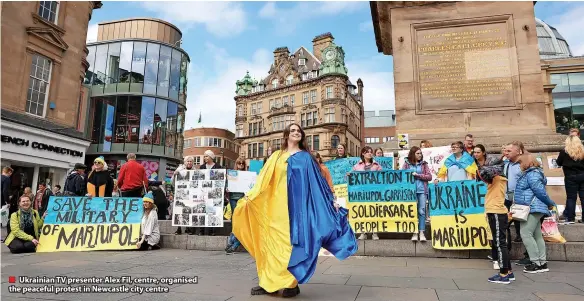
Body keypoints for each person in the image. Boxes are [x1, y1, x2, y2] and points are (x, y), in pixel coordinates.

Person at [232, 123, 358, 297]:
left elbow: (317, 184)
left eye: (299, 131)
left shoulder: (306, 158)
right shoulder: (276, 156)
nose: (296, 132)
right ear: (286, 135)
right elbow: (263, 180)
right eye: (292, 130)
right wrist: (250, 197)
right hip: (274, 208)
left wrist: (330, 200)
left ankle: (291, 283)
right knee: (270, 244)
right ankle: (269, 282)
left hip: (296, 210)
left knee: (291, 245)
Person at [514, 154, 556, 274]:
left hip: (532, 207)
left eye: (521, 162)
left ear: (528, 162)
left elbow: (540, 192)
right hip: (534, 207)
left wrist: (550, 203)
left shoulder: (532, 174)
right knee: (537, 235)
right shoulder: (533, 173)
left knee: (526, 233)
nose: (519, 165)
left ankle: (536, 263)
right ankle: (542, 262)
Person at [477, 160, 515, 284]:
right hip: (496, 211)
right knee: (500, 242)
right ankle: (508, 271)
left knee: (499, 243)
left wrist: (483, 167)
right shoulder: (498, 178)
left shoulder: (496, 178)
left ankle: (503, 274)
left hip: (496, 212)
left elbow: (484, 173)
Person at [401, 146, 432, 242]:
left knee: (422, 211)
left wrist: (417, 175)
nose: (420, 155)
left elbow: (429, 177)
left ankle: (422, 232)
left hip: (422, 190)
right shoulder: (406, 164)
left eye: (420, 153)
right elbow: (402, 175)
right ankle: (414, 232)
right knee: (413, 211)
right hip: (411, 191)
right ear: (413, 154)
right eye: (417, 153)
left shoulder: (424, 164)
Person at [352, 146, 382, 240]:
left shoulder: (377, 165)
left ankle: (374, 232)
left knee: (374, 211)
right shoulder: (357, 166)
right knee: (362, 211)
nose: (370, 153)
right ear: (363, 154)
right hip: (362, 193)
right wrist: (349, 175)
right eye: (367, 152)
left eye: (371, 152)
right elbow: (351, 178)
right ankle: (363, 232)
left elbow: (382, 178)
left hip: (373, 192)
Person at [555, 135, 584, 224]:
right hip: (582, 175)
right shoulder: (583, 151)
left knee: (571, 198)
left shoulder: (564, 152)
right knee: (583, 197)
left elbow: (558, 162)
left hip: (570, 177)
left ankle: (570, 218)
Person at [225, 157, 247, 255]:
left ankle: (232, 243)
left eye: (242, 164)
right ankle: (232, 243)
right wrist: (227, 188)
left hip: (243, 199)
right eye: (239, 163)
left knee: (240, 221)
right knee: (235, 219)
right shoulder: (232, 174)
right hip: (234, 198)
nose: (241, 165)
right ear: (236, 164)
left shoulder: (247, 174)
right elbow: (227, 185)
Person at [198, 150, 223, 236]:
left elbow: (220, 179)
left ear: (211, 157)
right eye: (204, 156)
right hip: (204, 193)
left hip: (214, 193)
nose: (205, 158)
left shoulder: (218, 167)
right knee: (203, 210)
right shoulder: (202, 167)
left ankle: (212, 230)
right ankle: (201, 230)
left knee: (213, 211)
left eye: (207, 156)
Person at [173, 156, 196, 235]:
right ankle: (179, 228)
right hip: (181, 194)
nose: (189, 163)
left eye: (191, 161)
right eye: (188, 161)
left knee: (188, 211)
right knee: (179, 211)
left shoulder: (195, 171)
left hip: (190, 195)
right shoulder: (179, 170)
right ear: (185, 162)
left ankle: (188, 228)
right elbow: (172, 181)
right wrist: (175, 175)